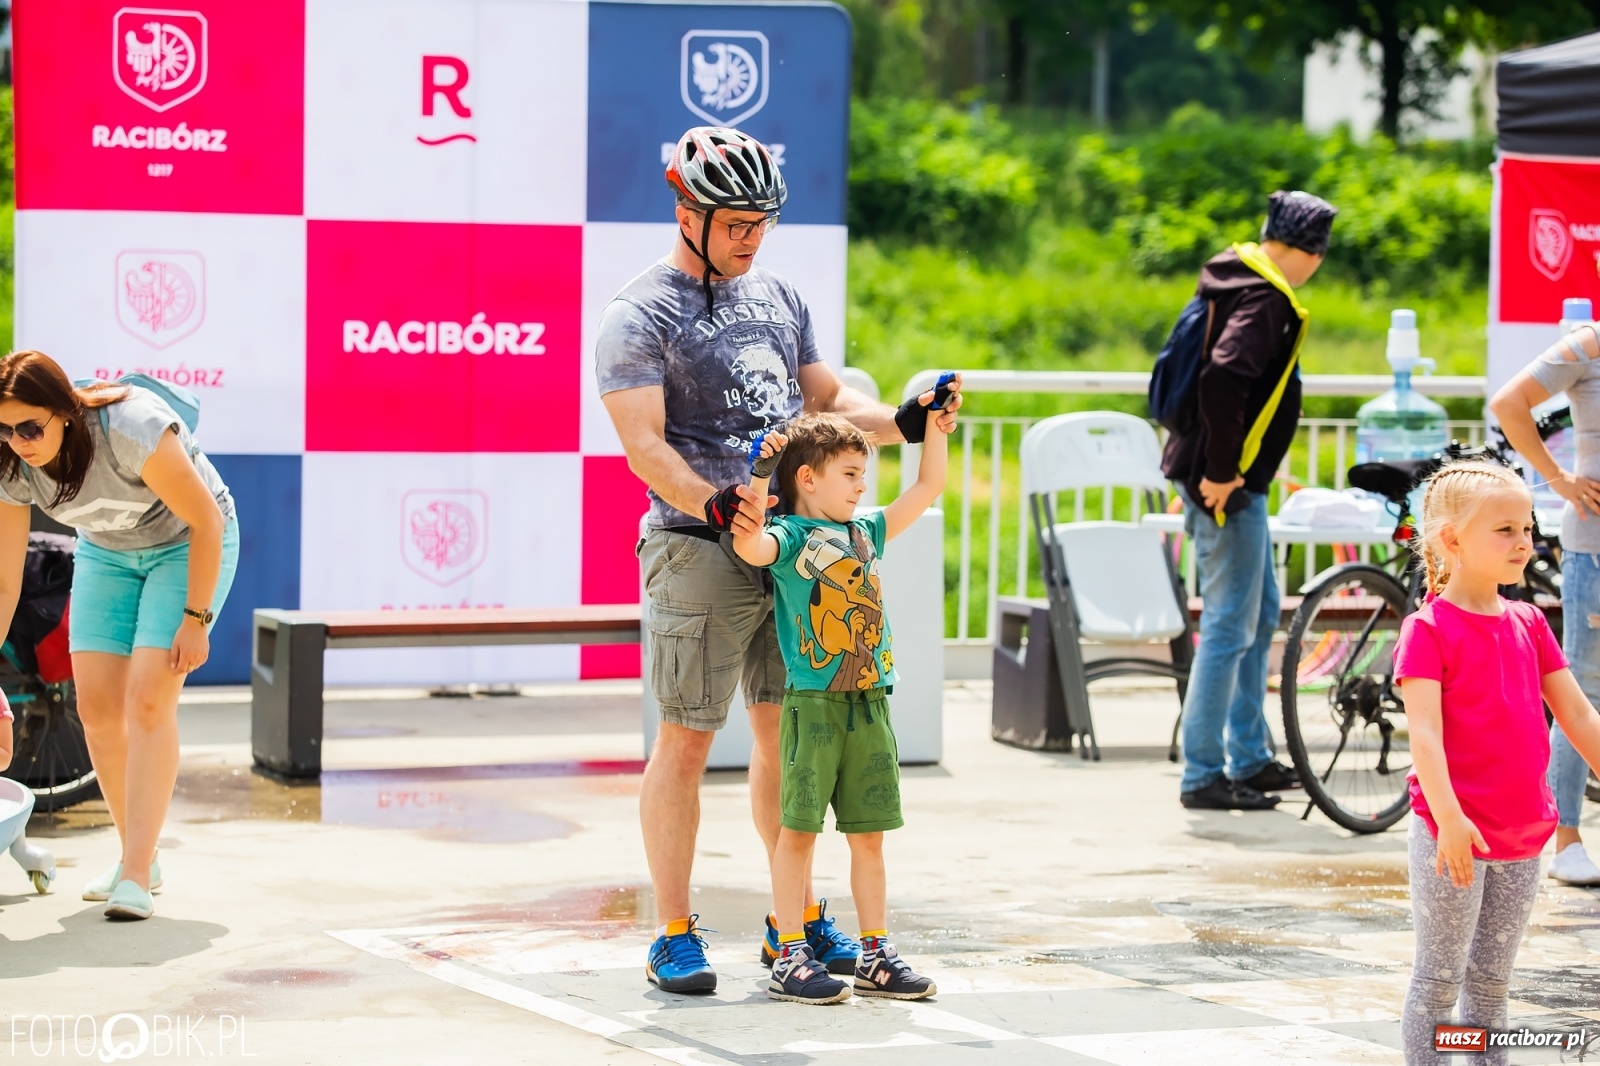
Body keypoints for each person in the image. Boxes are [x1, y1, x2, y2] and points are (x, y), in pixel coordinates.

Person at [594, 126, 961, 993]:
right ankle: (674, 931)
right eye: (734, 222)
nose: (751, 237)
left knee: (780, 734)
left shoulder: (782, 297)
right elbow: (643, 444)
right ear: (688, 211)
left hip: (791, 558)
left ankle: (787, 925)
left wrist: (903, 419)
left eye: (762, 221)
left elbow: (830, 403)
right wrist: (713, 502)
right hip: (698, 551)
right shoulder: (636, 313)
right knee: (686, 742)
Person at [0, 351, 238, 920]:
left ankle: (133, 872)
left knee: (149, 702)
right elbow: (6, 576)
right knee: (100, 711)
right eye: (4, 428)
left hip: (186, 545)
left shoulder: (128, 427)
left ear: (63, 412)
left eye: (30, 426)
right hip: (107, 552)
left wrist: (196, 620)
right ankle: (142, 855)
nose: (18, 441)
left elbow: (206, 520)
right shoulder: (10, 464)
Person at [732, 404, 947, 1004]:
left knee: (869, 835)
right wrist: (757, 475)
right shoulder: (792, 536)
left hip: (871, 702)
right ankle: (791, 953)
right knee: (797, 833)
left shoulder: (866, 531)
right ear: (807, 478)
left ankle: (876, 953)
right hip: (815, 707)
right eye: (851, 473)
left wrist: (936, 428)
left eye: (863, 474)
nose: (862, 485)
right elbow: (747, 544)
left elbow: (928, 485)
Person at [1395, 461, 1600, 1064]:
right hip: (1451, 833)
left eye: (1528, 528)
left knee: (1490, 987)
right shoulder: (1427, 629)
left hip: (1523, 834)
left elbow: (1579, 718)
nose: (1525, 543)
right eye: (1505, 530)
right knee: (1438, 983)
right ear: (1452, 540)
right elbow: (1426, 740)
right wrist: (1451, 822)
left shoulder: (1531, 622)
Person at [1160, 190, 1338, 811]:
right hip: (1225, 487)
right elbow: (1224, 376)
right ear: (1310, 251)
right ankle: (1205, 773)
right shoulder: (1263, 296)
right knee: (1232, 625)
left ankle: (1250, 755)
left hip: (1231, 483)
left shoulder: (1234, 278)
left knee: (1259, 613)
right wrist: (1222, 471)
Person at [1490, 320, 1600, 885]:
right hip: (1595, 550)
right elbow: (1509, 403)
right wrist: (1558, 478)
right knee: (1581, 687)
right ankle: (1567, 838)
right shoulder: (1589, 343)